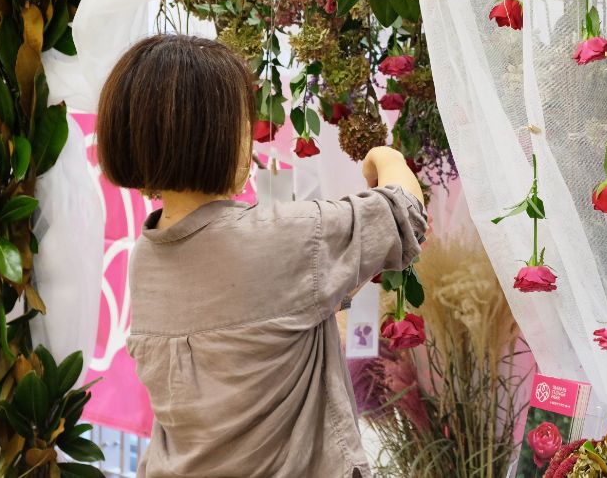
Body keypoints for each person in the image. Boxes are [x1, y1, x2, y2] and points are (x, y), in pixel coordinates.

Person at [96, 34, 427, 478]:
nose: (250, 144)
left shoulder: (146, 257)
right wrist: (385, 159)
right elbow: (404, 213)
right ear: (209, 138)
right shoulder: (283, 238)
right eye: (241, 125)